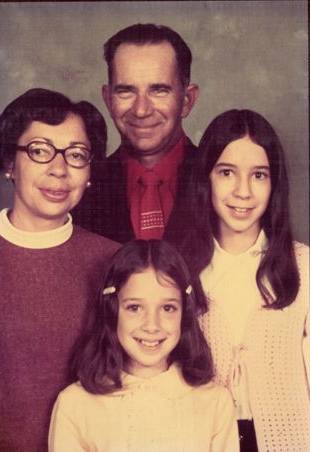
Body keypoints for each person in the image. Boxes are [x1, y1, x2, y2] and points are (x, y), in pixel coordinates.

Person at [0, 88, 120, 452]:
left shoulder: (113, 262)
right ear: (8, 164)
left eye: (76, 155)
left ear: (90, 172)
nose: (59, 169)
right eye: (40, 151)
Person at [180, 109, 310, 451]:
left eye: (259, 175)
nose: (243, 191)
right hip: (202, 440)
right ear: (205, 177)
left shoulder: (304, 267)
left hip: (289, 439)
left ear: (274, 183)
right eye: (227, 172)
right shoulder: (178, 271)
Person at [49, 239, 239, 451]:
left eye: (167, 308)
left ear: (184, 314)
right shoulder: (75, 405)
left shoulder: (215, 403)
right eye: (135, 308)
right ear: (113, 311)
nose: (151, 325)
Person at [72, 23, 199, 243]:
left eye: (158, 90)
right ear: (108, 99)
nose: (141, 110)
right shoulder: (78, 188)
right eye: (126, 91)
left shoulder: (225, 182)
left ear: (187, 100)